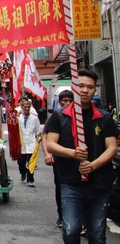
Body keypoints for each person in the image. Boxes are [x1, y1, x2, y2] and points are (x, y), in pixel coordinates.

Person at [45, 69, 119, 244]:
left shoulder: (105, 118)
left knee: (97, 233)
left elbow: (111, 148)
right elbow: (51, 144)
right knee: (71, 231)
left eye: (90, 87)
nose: (85, 90)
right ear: (75, 88)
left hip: (99, 183)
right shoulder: (60, 116)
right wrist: (73, 153)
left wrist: (93, 165)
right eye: (81, 86)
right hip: (70, 183)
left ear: (95, 91)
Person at [42, 89, 73, 228]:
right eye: (64, 101)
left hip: (78, 160)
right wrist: (48, 154)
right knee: (61, 187)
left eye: (69, 100)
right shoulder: (56, 117)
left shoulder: (78, 116)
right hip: (60, 160)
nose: (67, 103)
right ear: (59, 102)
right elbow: (45, 137)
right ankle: (61, 214)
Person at [17, 97, 41, 188]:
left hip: (32, 143)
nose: (27, 109)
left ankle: (30, 179)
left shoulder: (34, 119)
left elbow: (38, 132)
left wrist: (39, 140)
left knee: (31, 162)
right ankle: (23, 172)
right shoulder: (18, 118)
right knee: (21, 162)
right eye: (25, 107)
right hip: (22, 143)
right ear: (22, 107)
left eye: (28, 107)